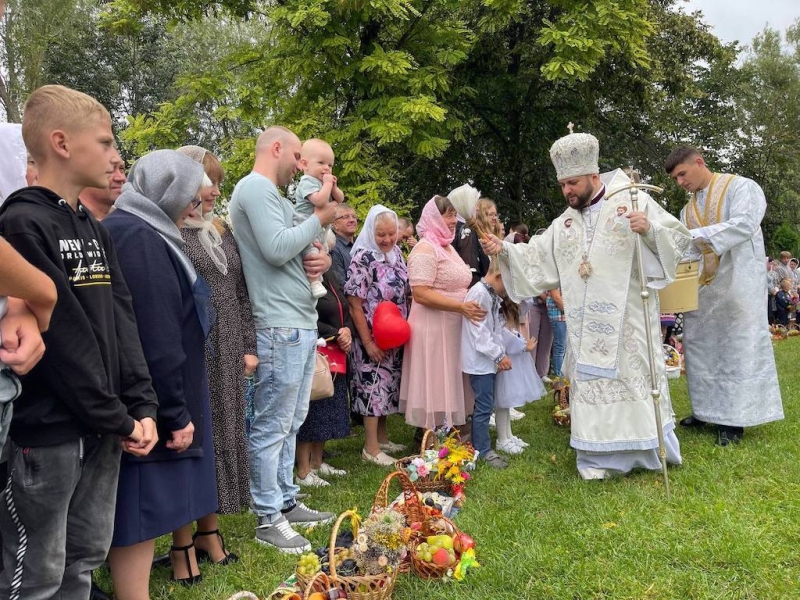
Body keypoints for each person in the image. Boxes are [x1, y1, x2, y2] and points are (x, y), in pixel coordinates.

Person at [0, 84, 159, 599]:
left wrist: (142, 404)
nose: (116, 156)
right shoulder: (22, 222)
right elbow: (65, 340)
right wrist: (116, 416)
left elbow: (121, 318)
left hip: (105, 426)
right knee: (38, 573)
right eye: (107, 141)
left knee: (84, 557)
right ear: (63, 144)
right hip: (48, 434)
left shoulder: (93, 226)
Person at [482, 129, 691, 480]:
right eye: (563, 184)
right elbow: (535, 256)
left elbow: (679, 242)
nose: (567, 191)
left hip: (628, 321)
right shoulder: (563, 223)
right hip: (583, 324)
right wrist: (504, 250)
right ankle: (598, 457)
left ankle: (645, 450)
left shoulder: (632, 199)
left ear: (594, 176)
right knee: (591, 384)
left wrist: (650, 231)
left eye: (573, 183)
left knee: (631, 377)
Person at [103, 150, 220, 595]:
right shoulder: (139, 237)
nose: (197, 201)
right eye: (191, 192)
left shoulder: (142, 229)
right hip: (147, 401)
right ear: (167, 191)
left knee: (144, 506)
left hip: (145, 397)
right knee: (140, 506)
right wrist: (174, 410)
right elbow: (157, 332)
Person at [229, 126, 336, 554]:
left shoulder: (274, 195)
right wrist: (319, 219)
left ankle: (286, 500)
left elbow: (297, 247)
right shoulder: (254, 188)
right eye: (295, 156)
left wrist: (323, 255)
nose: (299, 166)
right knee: (272, 424)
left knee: (291, 421)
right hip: (277, 323)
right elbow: (275, 249)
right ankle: (267, 516)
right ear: (276, 148)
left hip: (298, 320)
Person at [665, 145, 784, 446]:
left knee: (733, 349)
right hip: (703, 289)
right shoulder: (687, 210)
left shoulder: (741, 187)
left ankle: (733, 419)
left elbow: (744, 224)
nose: (680, 182)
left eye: (682, 174)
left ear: (699, 163)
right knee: (701, 348)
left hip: (737, 283)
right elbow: (685, 250)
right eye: (675, 178)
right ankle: (705, 410)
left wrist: (690, 236)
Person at [178, 146, 257, 552]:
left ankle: (209, 530)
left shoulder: (220, 230)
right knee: (196, 436)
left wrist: (248, 343)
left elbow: (239, 292)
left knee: (224, 430)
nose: (212, 191)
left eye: (216, 183)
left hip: (227, 347)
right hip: (196, 348)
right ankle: (183, 540)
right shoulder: (170, 232)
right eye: (206, 182)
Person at [399, 196, 485, 442]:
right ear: (433, 218)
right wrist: (461, 306)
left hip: (453, 323)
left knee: (451, 376)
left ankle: (453, 429)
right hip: (433, 326)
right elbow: (421, 292)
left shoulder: (446, 246)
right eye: (447, 215)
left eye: (453, 215)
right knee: (436, 377)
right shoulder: (425, 248)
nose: (453, 221)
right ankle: (429, 436)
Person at [345, 205, 410, 466]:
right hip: (370, 337)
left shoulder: (396, 254)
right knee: (372, 386)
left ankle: (382, 438)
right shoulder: (363, 257)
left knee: (388, 386)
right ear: (371, 232)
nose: (387, 239)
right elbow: (354, 302)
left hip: (393, 335)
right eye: (381, 234)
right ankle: (370, 448)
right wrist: (369, 342)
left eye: (391, 233)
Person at [295, 230, 352, 487]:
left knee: (328, 405)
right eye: (321, 251)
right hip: (318, 347)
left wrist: (347, 329)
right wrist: (334, 333)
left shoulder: (330, 276)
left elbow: (344, 305)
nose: (325, 257)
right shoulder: (306, 276)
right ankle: (303, 469)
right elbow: (308, 313)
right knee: (313, 408)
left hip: (336, 350)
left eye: (327, 252)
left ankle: (318, 461)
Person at [460, 260, 510, 469]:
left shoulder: (489, 294)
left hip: (486, 361)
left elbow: (493, 328)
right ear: (498, 276)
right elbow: (479, 334)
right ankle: (483, 449)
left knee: (485, 404)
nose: (509, 291)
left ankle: (482, 445)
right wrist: (498, 355)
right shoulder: (479, 294)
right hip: (480, 362)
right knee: (483, 407)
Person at [293, 139, 345, 298]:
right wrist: (328, 185)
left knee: (324, 249)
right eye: (321, 163)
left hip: (321, 227)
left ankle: (318, 276)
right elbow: (320, 201)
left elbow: (340, 199)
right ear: (304, 164)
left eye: (330, 165)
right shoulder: (306, 181)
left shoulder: (325, 182)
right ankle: (314, 281)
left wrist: (334, 187)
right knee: (311, 252)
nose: (326, 168)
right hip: (305, 223)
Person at [453, 196, 501, 287]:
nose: (495, 218)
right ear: (481, 216)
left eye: (496, 215)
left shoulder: (496, 240)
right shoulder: (470, 235)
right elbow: (471, 272)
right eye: (490, 214)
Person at [79, 149, 126, 220]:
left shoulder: (128, 222)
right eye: (110, 169)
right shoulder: (63, 223)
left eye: (121, 169)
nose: (121, 178)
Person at [330, 203, 357, 284]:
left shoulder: (360, 246)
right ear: (335, 224)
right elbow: (341, 284)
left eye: (354, 216)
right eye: (346, 217)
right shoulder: (334, 249)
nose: (352, 220)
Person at [547, 289, 567, 377]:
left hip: (563, 317)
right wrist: (570, 311)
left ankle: (562, 376)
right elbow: (556, 298)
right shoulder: (555, 278)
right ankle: (560, 377)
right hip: (558, 317)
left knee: (563, 347)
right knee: (560, 348)